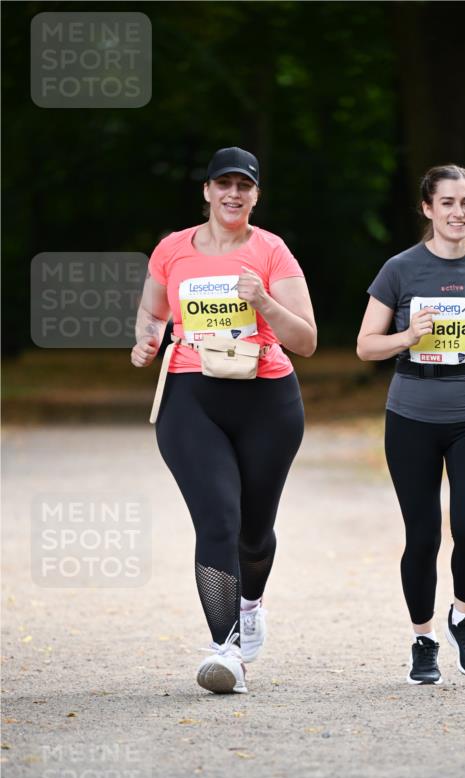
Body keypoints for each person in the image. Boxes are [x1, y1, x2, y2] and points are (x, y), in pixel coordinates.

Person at [131, 146, 316, 694]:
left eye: (244, 186)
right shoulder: (172, 249)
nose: (233, 194)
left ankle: (250, 605)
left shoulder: (272, 251)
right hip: (191, 396)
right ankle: (226, 651)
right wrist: (146, 340)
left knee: (253, 534)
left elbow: (306, 340)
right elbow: (153, 313)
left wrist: (264, 302)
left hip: (267, 399)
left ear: (256, 195)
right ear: (207, 191)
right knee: (217, 522)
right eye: (224, 184)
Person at [357, 164, 465, 685]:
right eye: (447, 202)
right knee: (423, 535)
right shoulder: (400, 269)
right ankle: (423, 640)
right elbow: (365, 346)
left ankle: (463, 618)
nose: (458, 212)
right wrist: (407, 337)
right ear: (428, 208)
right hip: (411, 418)